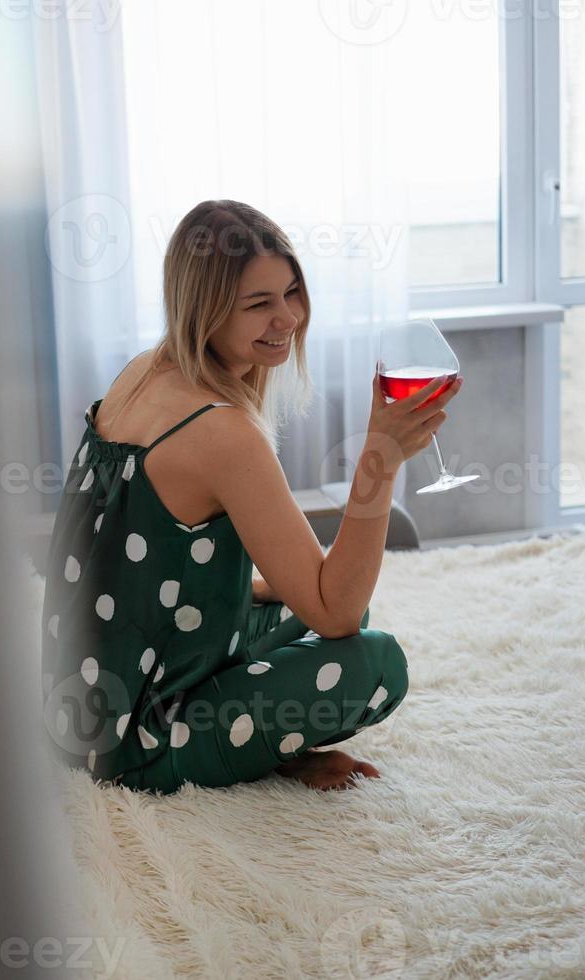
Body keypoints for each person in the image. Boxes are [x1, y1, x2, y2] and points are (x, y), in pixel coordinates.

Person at [41, 199, 462, 795]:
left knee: (332, 600)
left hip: (78, 706)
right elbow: (333, 612)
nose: (288, 318)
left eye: (291, 292)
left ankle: (252, 739)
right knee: (372, 661)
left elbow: (142, 561)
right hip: (130, 742)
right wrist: (380, 462)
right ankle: (251, 753)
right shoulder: (220, 432)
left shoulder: (142, 370)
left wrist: (275, 590)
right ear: (205, 311)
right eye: (259, 304)